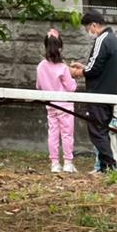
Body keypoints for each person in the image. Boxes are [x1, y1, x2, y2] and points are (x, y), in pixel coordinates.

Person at [70, 10, 117, 174]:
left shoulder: (102, 40)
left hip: (98, 94)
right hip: (109, 94)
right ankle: (104, 167)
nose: (89, 32)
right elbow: (101, 67)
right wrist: (85, 67)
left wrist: (78, 72)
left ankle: (110, 166)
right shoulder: (114, 41)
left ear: (94, 25)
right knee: (102, 131)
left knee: (97, 132)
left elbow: (94, 68)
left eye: (88, 28)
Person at [35, 29, 77, 174]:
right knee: (67, 134)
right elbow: (71, 87)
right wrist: (73, 78)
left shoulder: (41, 66)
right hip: (65, 105)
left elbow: (39, 86)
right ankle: (68, 163)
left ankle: (54, 163)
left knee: (53, 133)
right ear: (60, 48)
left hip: (50, 105)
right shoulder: (63, 67)